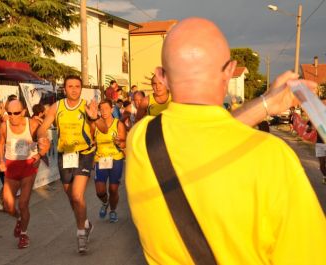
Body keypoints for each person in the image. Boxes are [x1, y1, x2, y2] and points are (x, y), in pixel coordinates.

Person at [126, 18, 326, 265]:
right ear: (231, 71)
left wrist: (267, 103)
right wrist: (266, 102)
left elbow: (205, 132)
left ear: (161, 76)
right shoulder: (272, 158)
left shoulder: (140, 140)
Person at [37, 75, 107, 254]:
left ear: (81, 89)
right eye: (70, 86)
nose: (74, 89)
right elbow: (42, 127)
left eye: (77, 86)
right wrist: (42, 138)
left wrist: (95, 117)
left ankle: (81, 234)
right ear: (64, 89)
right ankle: (86, 224)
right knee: (71, 197)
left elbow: (104, 128)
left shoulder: (86, 106)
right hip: (65, 155)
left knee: (77, 195)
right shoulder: (57, 106)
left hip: (84, 153)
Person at [0, 100, 42, 249]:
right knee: (8, 207)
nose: (12, 116)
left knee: (23, 203)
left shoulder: (33, 124)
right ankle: (19, 219)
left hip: (28, 166)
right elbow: (1, 143)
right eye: (9, 113)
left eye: (16, 113)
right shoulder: (4, 126)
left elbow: (44, 141)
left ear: (23, 112)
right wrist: (0, 161)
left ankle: (23, 234)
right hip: (11, 167)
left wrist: (40, 154)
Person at [94, 100, 126, 223]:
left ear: (112, 109)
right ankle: (105, 202)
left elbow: (124, 142)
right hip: (100, 159)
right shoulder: (96, 124)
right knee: (100, 191)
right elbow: (91, 138)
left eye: (106, 108)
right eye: (101, 109)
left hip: (116, 159)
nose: (103, 111)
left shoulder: (118, 124)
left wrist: (120, 142)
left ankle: (113, 210)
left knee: (113, 189)